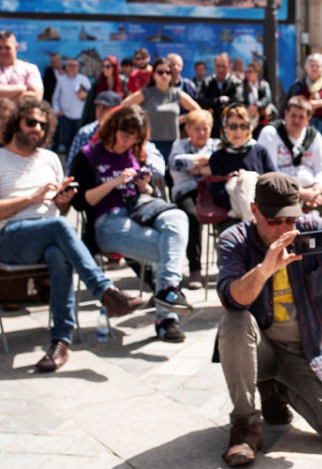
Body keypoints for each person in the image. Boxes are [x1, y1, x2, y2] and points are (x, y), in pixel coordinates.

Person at [215, 172, 322, 466]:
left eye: (289, 220)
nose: (282, 229)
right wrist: (263, 271)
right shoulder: (235, 240)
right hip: (259, 345)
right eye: (273, 220)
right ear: (254, 211)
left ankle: (275, 388)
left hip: (304, 351)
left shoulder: (310, 230)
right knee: (234, 322)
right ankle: (244, 425)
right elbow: (230, 297)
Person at [0, 98, 145, 372]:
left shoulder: (50, 158)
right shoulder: (1, 158)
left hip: (49, 234)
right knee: (60, 229)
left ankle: (60, 342)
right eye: (30, 122)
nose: (36, 129)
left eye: (42, 125)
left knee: (59, 252)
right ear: (16, 122)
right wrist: (31, 198)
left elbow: (61, 210)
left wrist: (62, 200)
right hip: (10, 238)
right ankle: (106, 292)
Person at [70, 105, 194, 342]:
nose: (128, 142)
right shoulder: (89, 155)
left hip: (141, 208)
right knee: (166, 247)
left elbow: (147, 192)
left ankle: (167, 291)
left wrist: (143, 185)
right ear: (114, 128)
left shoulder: (136, 152)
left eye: (134, 137)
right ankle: (166, 318)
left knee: (178, 217)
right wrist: (114, 182)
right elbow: (80, 202)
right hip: (107, 219)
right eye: (125, 135)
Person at [257, 96, 322, 236]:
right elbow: (271, 172)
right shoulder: (270, 133)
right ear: (285, 114)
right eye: (293, 115)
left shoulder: (314, 136)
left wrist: (317, 188)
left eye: (301, 117)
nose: (296, 120)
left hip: (313, 191)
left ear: (308, 118)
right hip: (283, 193)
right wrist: (300, 192)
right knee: (292, 214)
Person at [169, 109, 220, 290]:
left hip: (213, 190)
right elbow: (176, 163)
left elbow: (221, 164)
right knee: (192, 215)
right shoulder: (180, 145)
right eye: (197, 129)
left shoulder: (216, 144)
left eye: (205, 129)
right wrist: (208, 163)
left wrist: (196, 167)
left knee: (228, 212)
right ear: (188, 129)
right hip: (187, 192)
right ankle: (195, 268)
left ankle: (226, 263)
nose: (201, 133)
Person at [208, 104, 276, 227]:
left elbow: (272, 180)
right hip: (231, 214)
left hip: (262, 209)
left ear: (248, 128)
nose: (238, 131)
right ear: (225, 128)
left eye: (243, 126)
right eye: (233, 126)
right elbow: (217, 194)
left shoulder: (260, 151)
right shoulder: (218, 157)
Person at [122, 57, 201, 161]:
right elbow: (123, 106)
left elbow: (198, 111)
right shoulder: (146, 93)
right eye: (160, 72)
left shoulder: (177, 93)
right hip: (149, 144)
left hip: (173, 144)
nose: (164, 75)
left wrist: (181, 119)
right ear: (154, 74)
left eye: (168, 72)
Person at [282, 53, 322, 166]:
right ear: (306, 68)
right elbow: (292, 105)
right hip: (302, 127)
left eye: (318, 66)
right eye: (312, 65)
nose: (314, 68)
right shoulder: (298, 86)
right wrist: (311, 104)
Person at [66, 90, 121, 174]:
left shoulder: (123, 134)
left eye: (105, 108)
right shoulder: (85, 132)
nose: (100, 111)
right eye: (98, 107)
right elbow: (72, 163)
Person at [198, 53, 244, 138]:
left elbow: (237, 102)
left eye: (224, 66)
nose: (220, 70)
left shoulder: (236, 83)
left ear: (230, 66)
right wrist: (219, 100)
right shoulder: (207, 82)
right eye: (218, 66)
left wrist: (213, 106)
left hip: (230, 128)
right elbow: (201, 102)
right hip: (210, 128)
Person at [51, 57, 91, 154]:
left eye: (74, 65)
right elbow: (55, 97)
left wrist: (85, 96)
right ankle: (69, 161)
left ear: (78, 67)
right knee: (67, 141)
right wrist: (57, 109)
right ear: (66, 67)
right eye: (70, 65)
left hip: (80, 116)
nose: (72, 67)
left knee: (80, 141)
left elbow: (91, 97)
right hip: (66, 116)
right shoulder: (61, 80)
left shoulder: (83, 79)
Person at [80, 55, 126, 127]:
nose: (105, 69)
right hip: (100, 120)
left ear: (114, 67)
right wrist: (83, 124)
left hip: (117, 120)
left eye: (108, 66)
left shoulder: (122, 82)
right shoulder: (97, 83)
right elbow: (89, 106)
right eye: (103, 66)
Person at [0, 30, 43, 101]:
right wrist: (22, 88)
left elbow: (37, 97)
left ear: (16, 48)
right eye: (0, 48)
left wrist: (4, 95)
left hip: (21, 112)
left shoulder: (30, 68)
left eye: (7, 48)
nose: (3, 51)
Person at [242, 61, 272, 129]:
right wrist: (248, 108)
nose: (247, 73)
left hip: (262, 115)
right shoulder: (243, 85)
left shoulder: (263, 84)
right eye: (247, 71)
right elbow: (240, 99)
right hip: (247, 115)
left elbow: (268, 98)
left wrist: (257, 105)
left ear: (257, 73)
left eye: (250, 71)